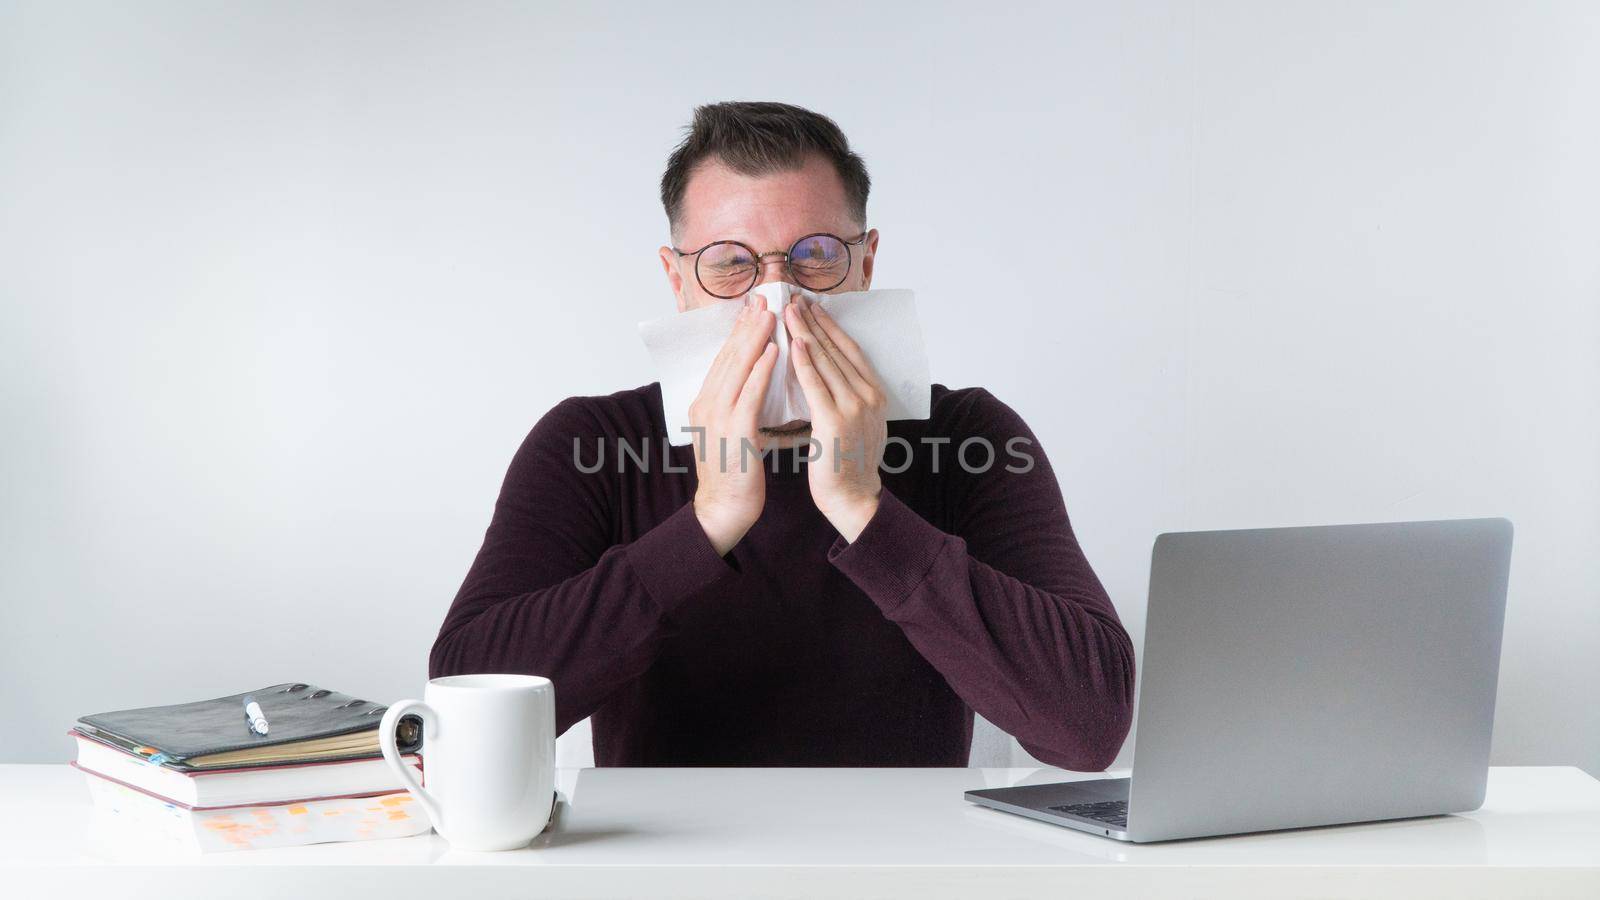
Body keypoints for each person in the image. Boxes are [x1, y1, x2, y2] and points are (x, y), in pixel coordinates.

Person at [429, 101, 1135, 768]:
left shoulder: (970, 438)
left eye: (815, 254)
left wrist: (864, 508)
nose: (777, 297)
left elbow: (1089, 728)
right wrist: (708, 522)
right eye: (732, 264)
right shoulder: (592, 444)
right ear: (678, 281)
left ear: (865, 263)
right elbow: (462, 712)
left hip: (910, 864)